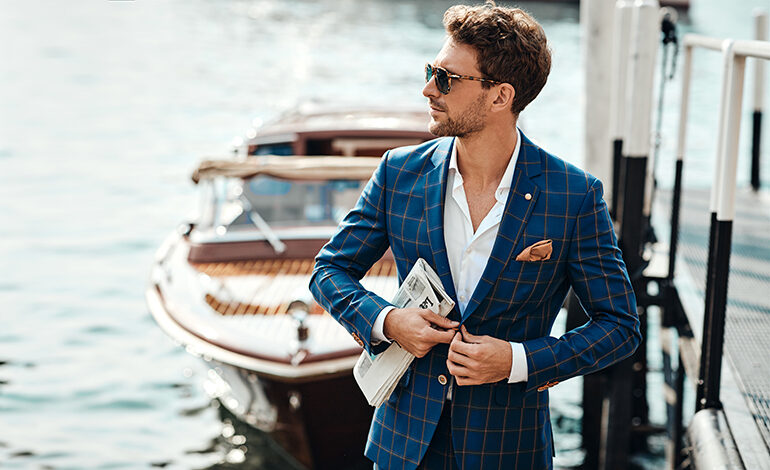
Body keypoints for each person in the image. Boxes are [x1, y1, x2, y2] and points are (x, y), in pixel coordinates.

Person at [309, 2, 641, 469]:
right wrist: (386, 321)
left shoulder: (574, 195)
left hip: (509, 449)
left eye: (446, 78)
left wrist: (518, 361)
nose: (428, 89)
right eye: (431, 71)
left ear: (500, 96)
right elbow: (329, 270)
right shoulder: (398, 173)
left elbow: (619, 327)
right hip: (402, 446)